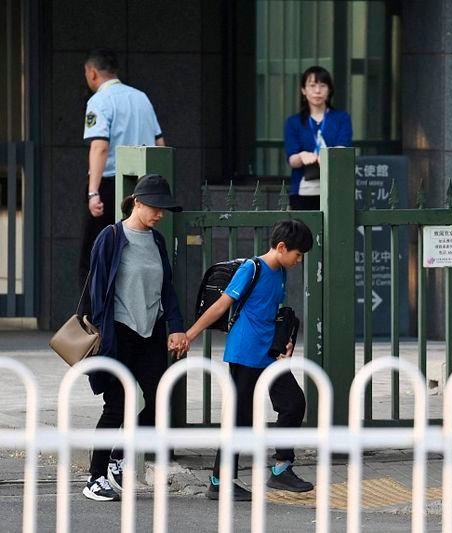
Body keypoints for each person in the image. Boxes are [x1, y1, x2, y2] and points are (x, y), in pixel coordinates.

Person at [186, 219, 315, 499]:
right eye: (298, 254)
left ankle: (281, 469)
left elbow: (271, 310)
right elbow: (221, 305)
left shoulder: (280, 271)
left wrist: (286, 339)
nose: (299, 260)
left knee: (293, 403)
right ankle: (219, 482)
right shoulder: (252, 268)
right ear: (281, 247)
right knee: (240, 417)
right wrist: (190, 334)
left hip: (269, 353)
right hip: (245, 352)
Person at [85, 174, 188, 501]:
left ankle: (119, 456)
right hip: (119, 333)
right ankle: (95, 477)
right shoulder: (111, 237)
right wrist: (101, 332)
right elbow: (96, 288)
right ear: (137, 202)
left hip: (151, 332)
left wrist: (175, 325)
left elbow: (167, 288)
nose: (160, 214)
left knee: (155, 401)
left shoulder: (157, 241)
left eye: (164, 209)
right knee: (117, 405)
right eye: (155, 207)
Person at [80, 48, 166, 286]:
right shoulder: (142, 98)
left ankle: (94, 318)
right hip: (143, 187)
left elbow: (99, 147)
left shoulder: (99, 100)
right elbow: (160, 144)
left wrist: (93, 192)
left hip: (109, 186)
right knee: (133, 254)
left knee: (96, 256)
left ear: (92, 73)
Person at [284, 66, 352, 211]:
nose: (317, 91)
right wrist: (302, 156)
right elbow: (292, 159)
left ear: (329, 90)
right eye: (312, 85)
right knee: (303, 231)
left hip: (335, 187)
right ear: (303, 90)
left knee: (336, 232)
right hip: (303, 190)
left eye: (322, 85)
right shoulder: (294, 122)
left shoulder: (341, 118)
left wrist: (327, 157)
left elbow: (343, 148)